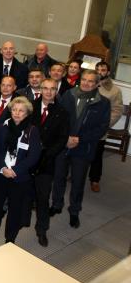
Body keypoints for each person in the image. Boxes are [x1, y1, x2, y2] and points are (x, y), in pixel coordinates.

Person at [51, 70, 111, 228]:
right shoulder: (68, 95)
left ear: (97, 83)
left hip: (84, 147)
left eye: (91, 81)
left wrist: (79, 139)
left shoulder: (103, 102)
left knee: (78, 182)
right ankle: (57, 204)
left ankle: (74, 211)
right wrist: (66, 138)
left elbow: (102, 127)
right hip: (64, 145)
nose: (86, 83)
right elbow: (59, 118)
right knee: (58, 177)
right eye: (84, 79)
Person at [0, 96, 41, 243]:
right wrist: (3, 168)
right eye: (14, 110)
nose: (17, 113)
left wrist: (15, 170)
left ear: (27, 113)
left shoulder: (32, 131)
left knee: (15, 208)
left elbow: (34, 156)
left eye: (21, 110)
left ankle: (10, 237)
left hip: (19, 177)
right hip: (1, 173)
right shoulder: (3, 127)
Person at [31, 78, 69, 247]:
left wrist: (48, 153)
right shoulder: (30, 106)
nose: (48, 92)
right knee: (21, 195)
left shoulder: (62, 111)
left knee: (43, 197)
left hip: (47, 161)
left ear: (56, 91)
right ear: (40, 89)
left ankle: (42, 230)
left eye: (52, 89)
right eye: (45, 88)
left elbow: (62, 139)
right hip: (27, 159)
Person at [89, 61, 124, 192]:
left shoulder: (114, 91)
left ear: (108, 72)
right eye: (97, 69)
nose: (99, 72)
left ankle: (95, 179)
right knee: (79, 152)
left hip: (99, 129)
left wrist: (104, 125)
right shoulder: (88, 84)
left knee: (97, 155)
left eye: (103, 70)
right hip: (83, 126)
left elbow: (117, 110)